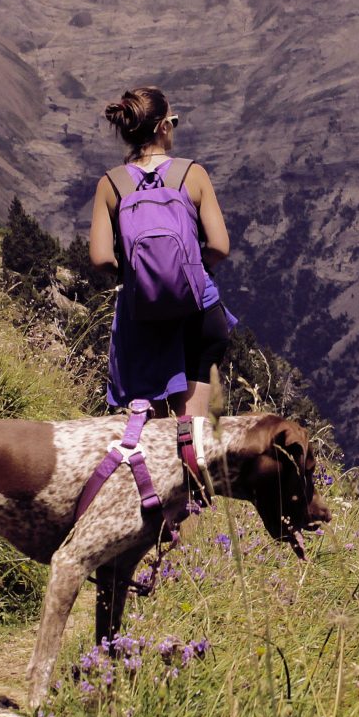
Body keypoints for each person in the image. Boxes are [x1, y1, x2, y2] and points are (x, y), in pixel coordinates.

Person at [89, 86, 235, 473]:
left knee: (149, 435)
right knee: (192, 434)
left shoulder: (111, 184)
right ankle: (194, 506)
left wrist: (137, 274)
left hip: (143, 317)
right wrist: (191, 270)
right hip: (199, 312)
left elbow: (101, 257)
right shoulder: (193, 174)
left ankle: (152, 517)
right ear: (164, 128)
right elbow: (220, 245)